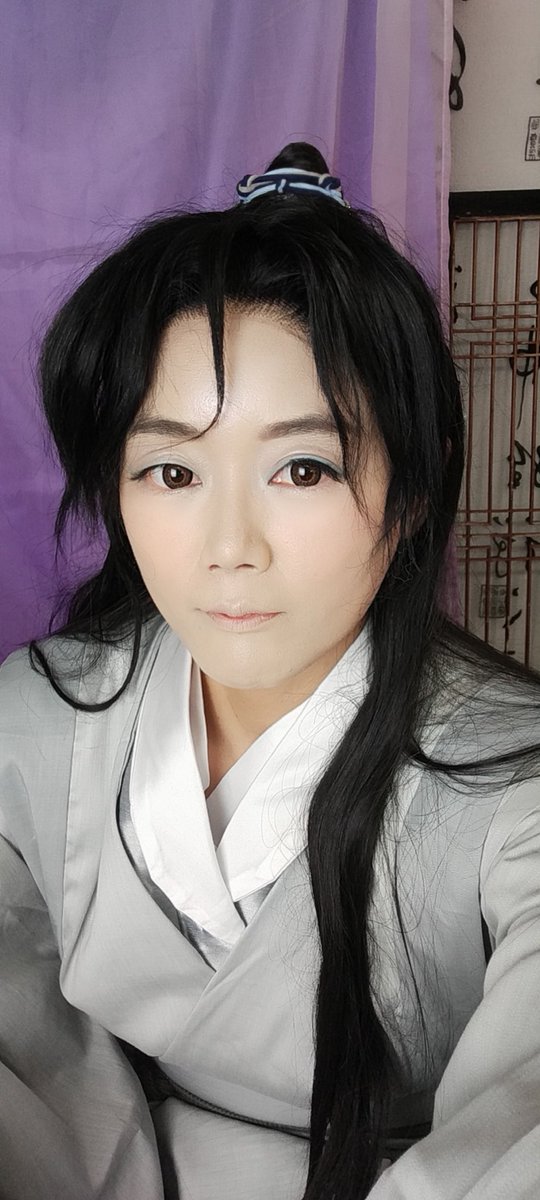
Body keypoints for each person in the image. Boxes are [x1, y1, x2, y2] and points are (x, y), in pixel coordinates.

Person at [1, 142, 539, 1200]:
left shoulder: (513, 786)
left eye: (302, 467)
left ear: (414, 485)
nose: (228, 546)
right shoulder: (38, 722)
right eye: (172, 471)